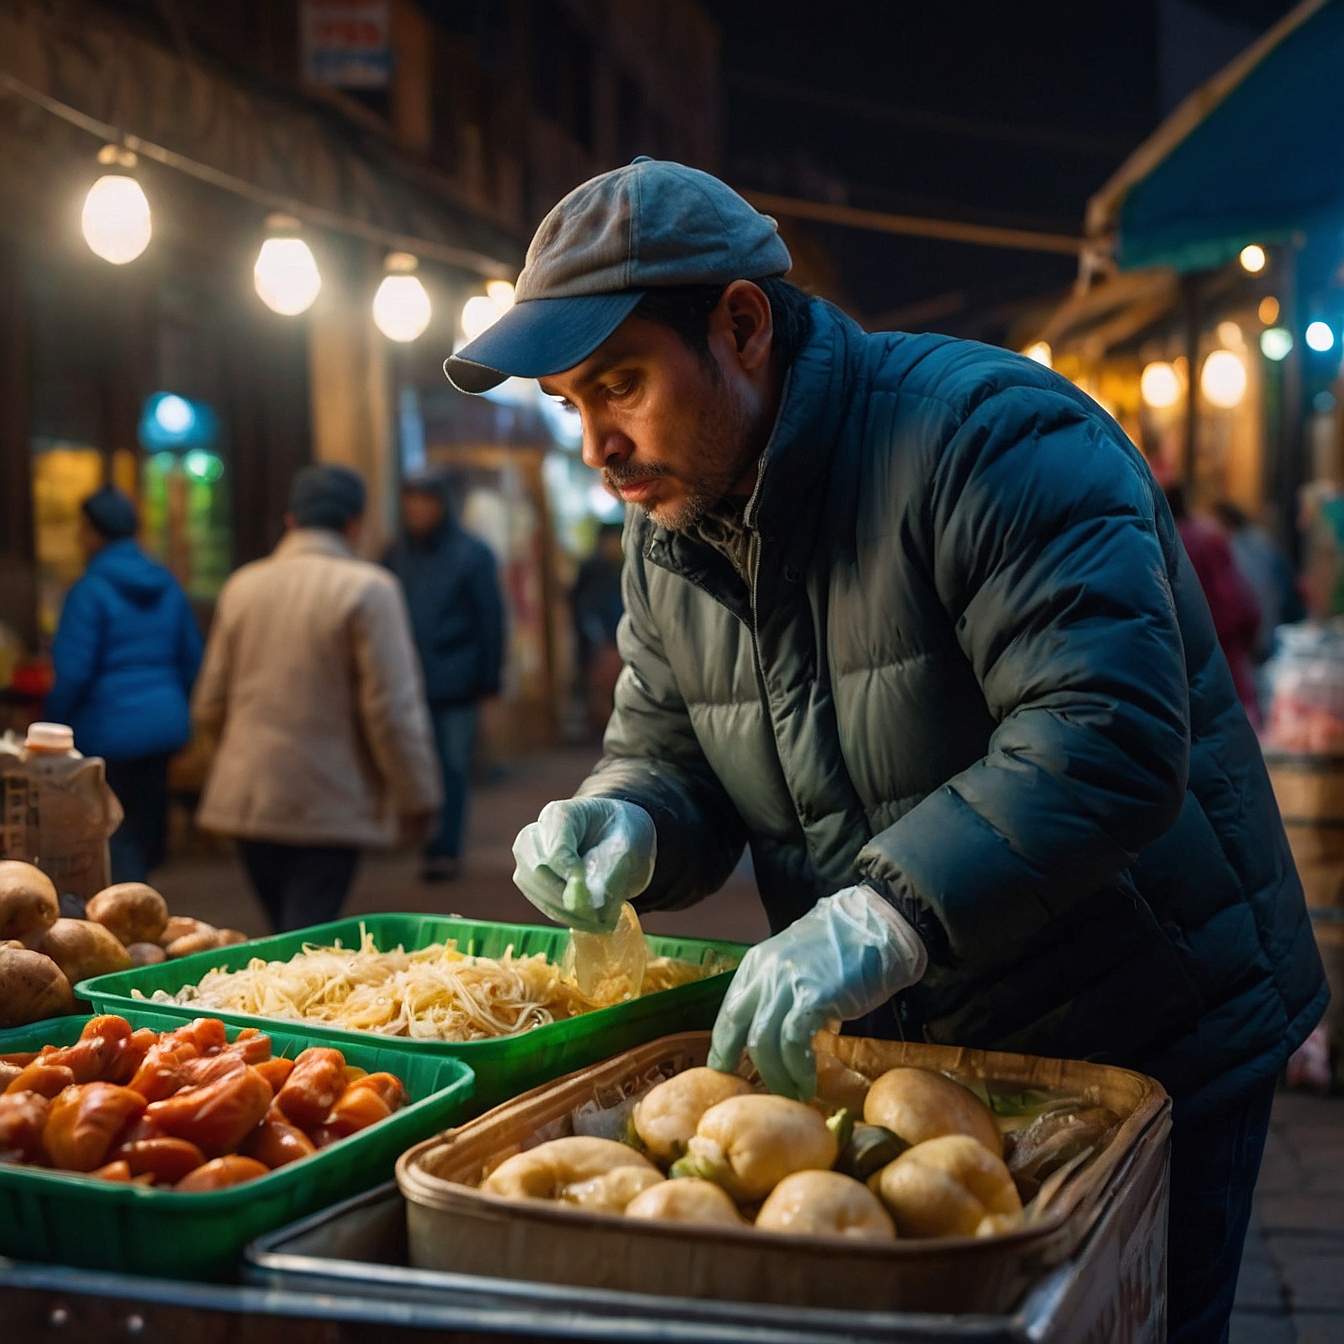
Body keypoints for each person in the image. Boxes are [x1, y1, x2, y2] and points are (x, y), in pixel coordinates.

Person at [444, 159, 1326, 1344]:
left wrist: (880, 914)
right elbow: (668, 744)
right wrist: (632, 817)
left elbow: (1103, 731)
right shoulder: (668, 527)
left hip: (1143, 1021)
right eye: (570, 404)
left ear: (742, 326)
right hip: (919, 1046)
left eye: (620, 385)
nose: (599, 444)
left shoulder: (989, 436)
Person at [193, 464, 441, 932]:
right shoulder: (370, 589)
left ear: (291, 521)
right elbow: (391, 711)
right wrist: (418, 797)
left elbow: (209, 702)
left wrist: (223, 767)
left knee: (282, 931)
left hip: (248, 800)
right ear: (354, 524)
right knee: (305, 936)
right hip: (327, 801)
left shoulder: (242, 585)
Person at [46, 486, 202, 884]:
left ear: (96, 533)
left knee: (113, 829)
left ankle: (131, 908)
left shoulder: (89, 591)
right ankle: (144, 896)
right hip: (164, 724)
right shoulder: (166, 583)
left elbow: (74, 671)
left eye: (82, 529)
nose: (80, 539)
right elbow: (192, 658)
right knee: (146, 823)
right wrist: (175, 707)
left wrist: (54, 725)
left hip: (107, 730)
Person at [383, 468, 506, 882]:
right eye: (410, 499)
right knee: (411, 764)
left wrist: (489, 681)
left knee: (452, 767)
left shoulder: (472, 554)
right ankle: (420, 840)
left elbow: (490, 619)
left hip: (456, 681)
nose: (417, 509)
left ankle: (444, 850)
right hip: (405, 682)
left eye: (425, 499)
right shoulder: (394, 554)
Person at [1167, 486, 1263, 727]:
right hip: (1225, 672)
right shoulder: (1209, 537)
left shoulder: (1160, 544)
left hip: (1178, 681)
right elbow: (1244, 609)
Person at [570, 522, 626, 734]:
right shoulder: (593, 570)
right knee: (601, 692)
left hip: (616, 640)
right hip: (602, 644)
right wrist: (599, 640)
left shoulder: (621, 566)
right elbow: (584, 609)